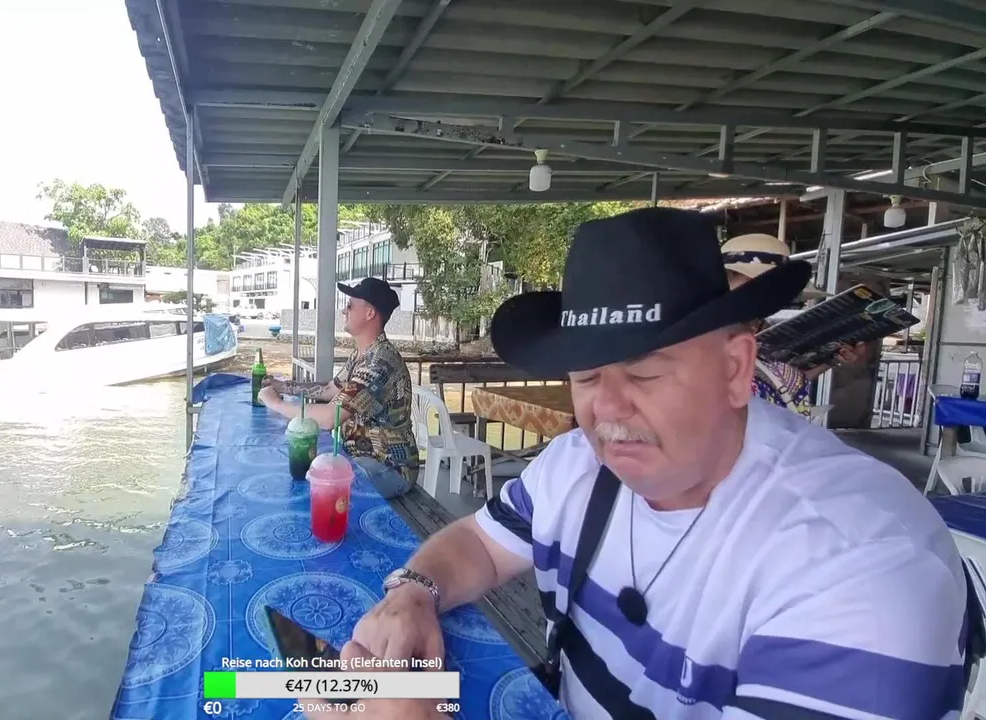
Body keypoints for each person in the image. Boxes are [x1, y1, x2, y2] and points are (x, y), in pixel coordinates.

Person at [302, 208, 970, 720]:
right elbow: (479, 542)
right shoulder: (576, 467)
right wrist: (416, 590)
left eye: (645, 370)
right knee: (280, 679)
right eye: (587, 375)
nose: (608, 409)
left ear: (735, 368)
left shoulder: (858, 566)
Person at [258, 277, 419, 499]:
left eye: (350, 305)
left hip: (389, 467)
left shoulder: (379, 363)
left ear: (370, 313)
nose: (344, 310)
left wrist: (275, 403)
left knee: (318, 487)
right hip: (358, 457)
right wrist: (284, 387)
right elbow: (331, 388)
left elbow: (329, 418)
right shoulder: (362, 354)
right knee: (306, 469)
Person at [721, 233, 866, 418]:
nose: (763, 299)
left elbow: (783, 384)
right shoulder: (700, 333)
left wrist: (831, 358)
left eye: (774, 292)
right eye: (753, 287)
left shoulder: (761, 327)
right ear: (724, 280)